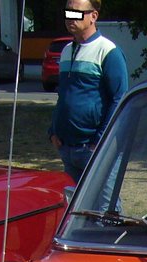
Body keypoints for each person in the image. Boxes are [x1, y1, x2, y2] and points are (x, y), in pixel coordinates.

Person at [48, 0, 128, 183]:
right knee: (74, 205)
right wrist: (53, 131)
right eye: (68, 13)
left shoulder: (108, 51)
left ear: (94, 16)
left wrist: (99, 140)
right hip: (67, 147)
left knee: (104, 206)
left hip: (93, 148)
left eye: (77, 13)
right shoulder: (66, 51)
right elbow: (64, 95)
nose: (70, 19)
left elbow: (119, 99)